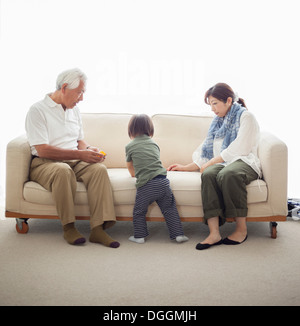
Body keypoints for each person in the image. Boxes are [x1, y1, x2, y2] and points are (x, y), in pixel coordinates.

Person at [25, 68, 120, 248]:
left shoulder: (73, 110)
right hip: (46, 163)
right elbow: (42, 150)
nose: (81, 98)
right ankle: (69, 228)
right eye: (79, 93)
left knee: (98, 170)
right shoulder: (37, 110)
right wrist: (79, 154)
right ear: (64, 87)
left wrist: (89, 150)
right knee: (63, 171)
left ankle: (98, 229)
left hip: (73, 160)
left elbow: (79, 141)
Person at [168, 83, 262, 251]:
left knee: (229, 174)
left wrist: (211, 162)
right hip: (224, 163)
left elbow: (240, 147)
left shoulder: (246, 117)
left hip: (245, 161)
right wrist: (184, 167)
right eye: (210, 104)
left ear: (228, 100)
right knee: (208, 174)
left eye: (214, 103)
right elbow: (205, 152)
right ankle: (214, 233)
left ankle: (241, 230)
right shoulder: (218, 122)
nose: (212, 109)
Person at [125, 114, 188, 244]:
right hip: (163, 182)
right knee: (170, 209)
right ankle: (178, 234)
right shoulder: (154, 144)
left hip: (146, 185)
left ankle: (139, 236)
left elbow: (130, 166)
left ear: (131, 130)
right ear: (150, 130)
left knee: (139, 211)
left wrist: (133, 174)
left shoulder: (130, 146)